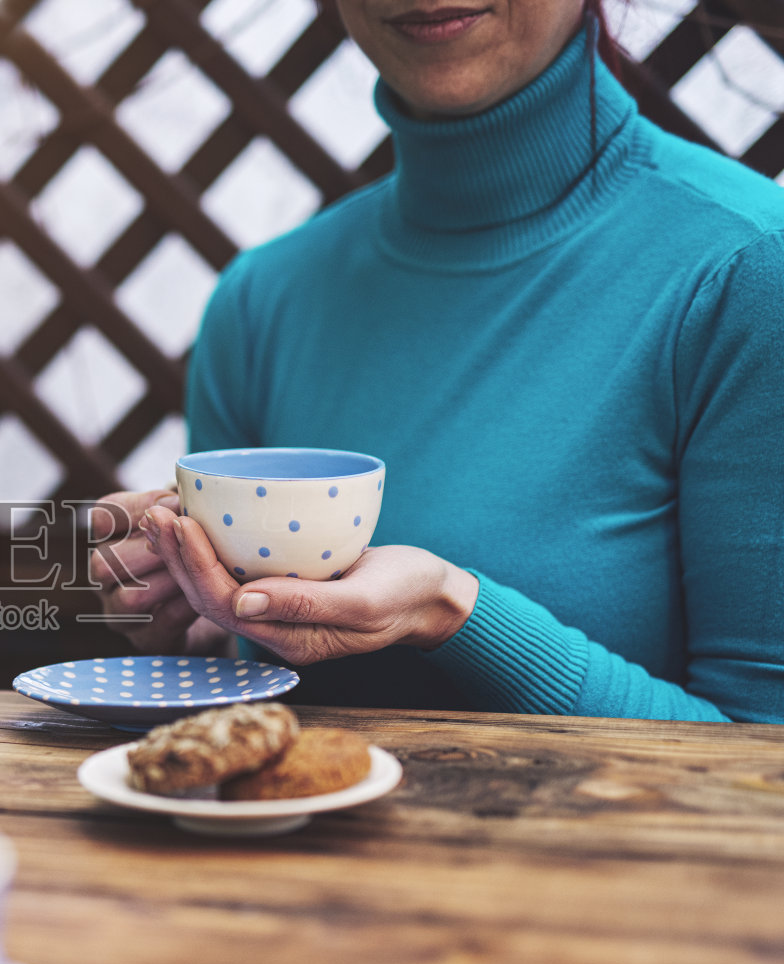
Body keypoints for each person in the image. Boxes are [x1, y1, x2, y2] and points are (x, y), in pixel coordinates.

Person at [92, 0, 784, 723]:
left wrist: (455, 615)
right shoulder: (260, 302)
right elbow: (252, 717)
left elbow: (763, 757)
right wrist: (199, 636)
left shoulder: (748, 272)